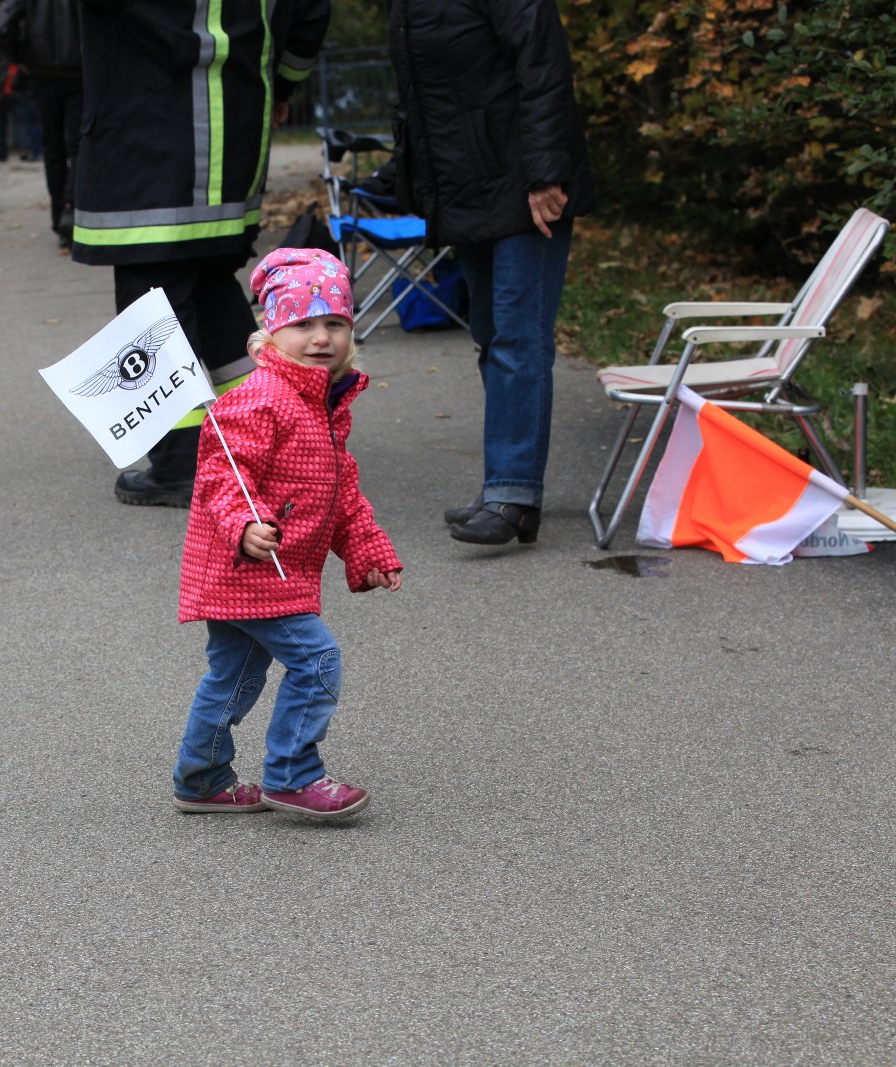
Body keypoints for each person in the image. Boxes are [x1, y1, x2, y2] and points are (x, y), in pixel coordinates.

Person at [173, 248, 403, 820]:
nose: (321, 338)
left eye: (336, 323)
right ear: (271, 334)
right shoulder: (260, 398)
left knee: (234, 675)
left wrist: (367, 551)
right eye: (302, 324)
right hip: (248, 566)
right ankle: (292, 776)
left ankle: (201, 779)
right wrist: (244, 525)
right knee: (317, 660)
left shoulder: (323, 404)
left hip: (270, 569)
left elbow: (341, 493)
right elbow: (223, 476)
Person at [73, 0, 331, 507]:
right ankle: (272, 438)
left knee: (152, 304)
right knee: (211, 283)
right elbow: (311, 14)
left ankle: (181, 466)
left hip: (145, 136)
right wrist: (280, 85)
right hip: (234, 135)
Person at [390, 0, 596, 546]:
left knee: (517, 336)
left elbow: (543, 66)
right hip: (471, 187)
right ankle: (505, 488)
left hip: (526, 185)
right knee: (489, 333)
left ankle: (513, 492)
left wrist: (546, 172)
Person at [0, 0, 79, 250]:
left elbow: (1, 26)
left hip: (43, 71)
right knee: (80, 144)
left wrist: (22, 56)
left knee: (53, 148)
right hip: (80, 68)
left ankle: (60, 217)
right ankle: (72, 209)